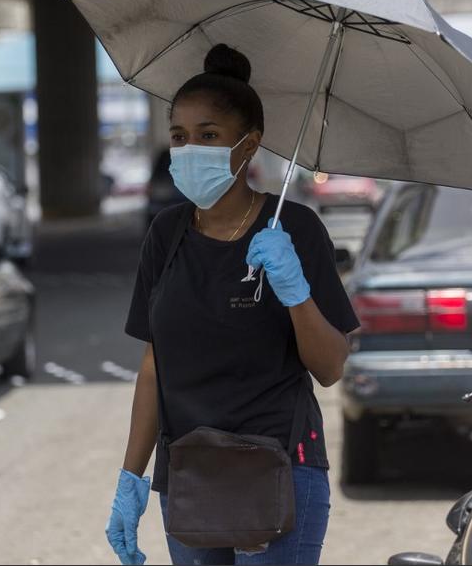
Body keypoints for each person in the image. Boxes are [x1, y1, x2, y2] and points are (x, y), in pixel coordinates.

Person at [105, 43, 360, 566]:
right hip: (190, 475)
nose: (189, 148)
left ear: (249, 146)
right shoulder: (166, 234)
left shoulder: (295, 229)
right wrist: (131, 478)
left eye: (208, 136)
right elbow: (155, 368)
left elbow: (331, 367)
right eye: (179, 137)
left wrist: (297, 292)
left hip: (279, 470)